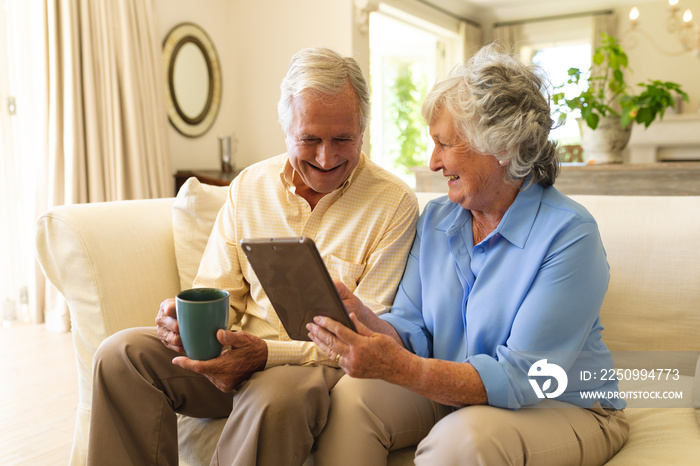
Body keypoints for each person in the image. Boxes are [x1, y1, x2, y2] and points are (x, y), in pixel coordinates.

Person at [86, 47, 419, 465]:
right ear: (286, 131)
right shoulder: (249, 187)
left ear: (363, 130)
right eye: (310, 139)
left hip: (311, 368)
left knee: (272, 397)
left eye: (343, 139)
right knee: (120, 356)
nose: (325, 157)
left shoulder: (394, 204)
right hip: (233, 351)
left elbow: (368, 341)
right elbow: (214, 293)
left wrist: (265, 354)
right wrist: (184, 323)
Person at [307, 43, 629, 465]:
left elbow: (523, 378)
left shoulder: (570, 236)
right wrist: (367, 324)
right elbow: (412, 328)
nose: (433, 161)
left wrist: (403, 369)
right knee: (352, 398)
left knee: (462, 440)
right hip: (454, 388)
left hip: (561, 405)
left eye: (445, 144)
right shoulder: (438, 218)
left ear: (502, 148)